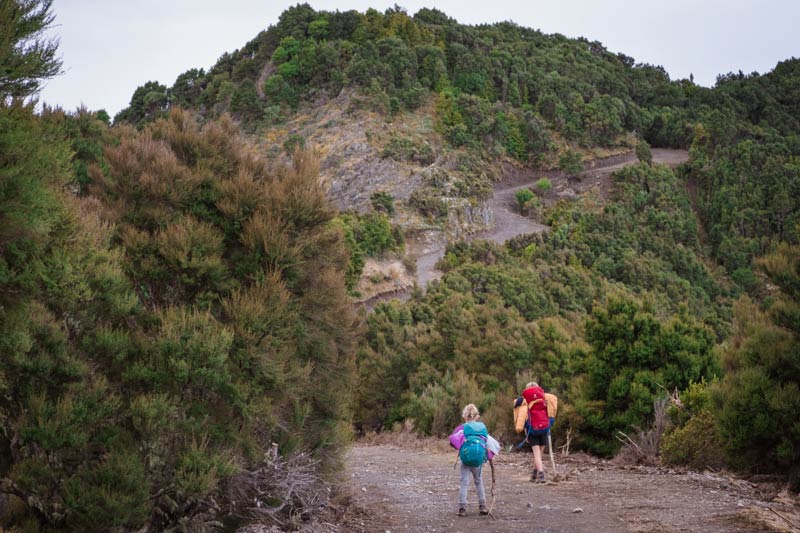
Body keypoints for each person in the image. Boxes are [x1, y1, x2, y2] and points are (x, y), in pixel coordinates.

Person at [448, 404, 490, 517]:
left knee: (464, 483)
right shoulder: (481, 428)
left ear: (464, 416)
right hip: (478, 460)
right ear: (477, 416)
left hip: (465, 459)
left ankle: (462, 508)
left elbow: (453, 441)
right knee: (478, 481)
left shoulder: (462, 428)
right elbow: (488, 443)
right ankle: (483, 506)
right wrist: (489, 457)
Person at [519, 381, 550, 483]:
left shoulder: (525, 401)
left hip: (532, 430)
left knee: (537, 454)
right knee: (539, 454)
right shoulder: (544, 399)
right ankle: (534, 474)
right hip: (544, 429)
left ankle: (540, 475)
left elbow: (523, 419)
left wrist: (525, 432)